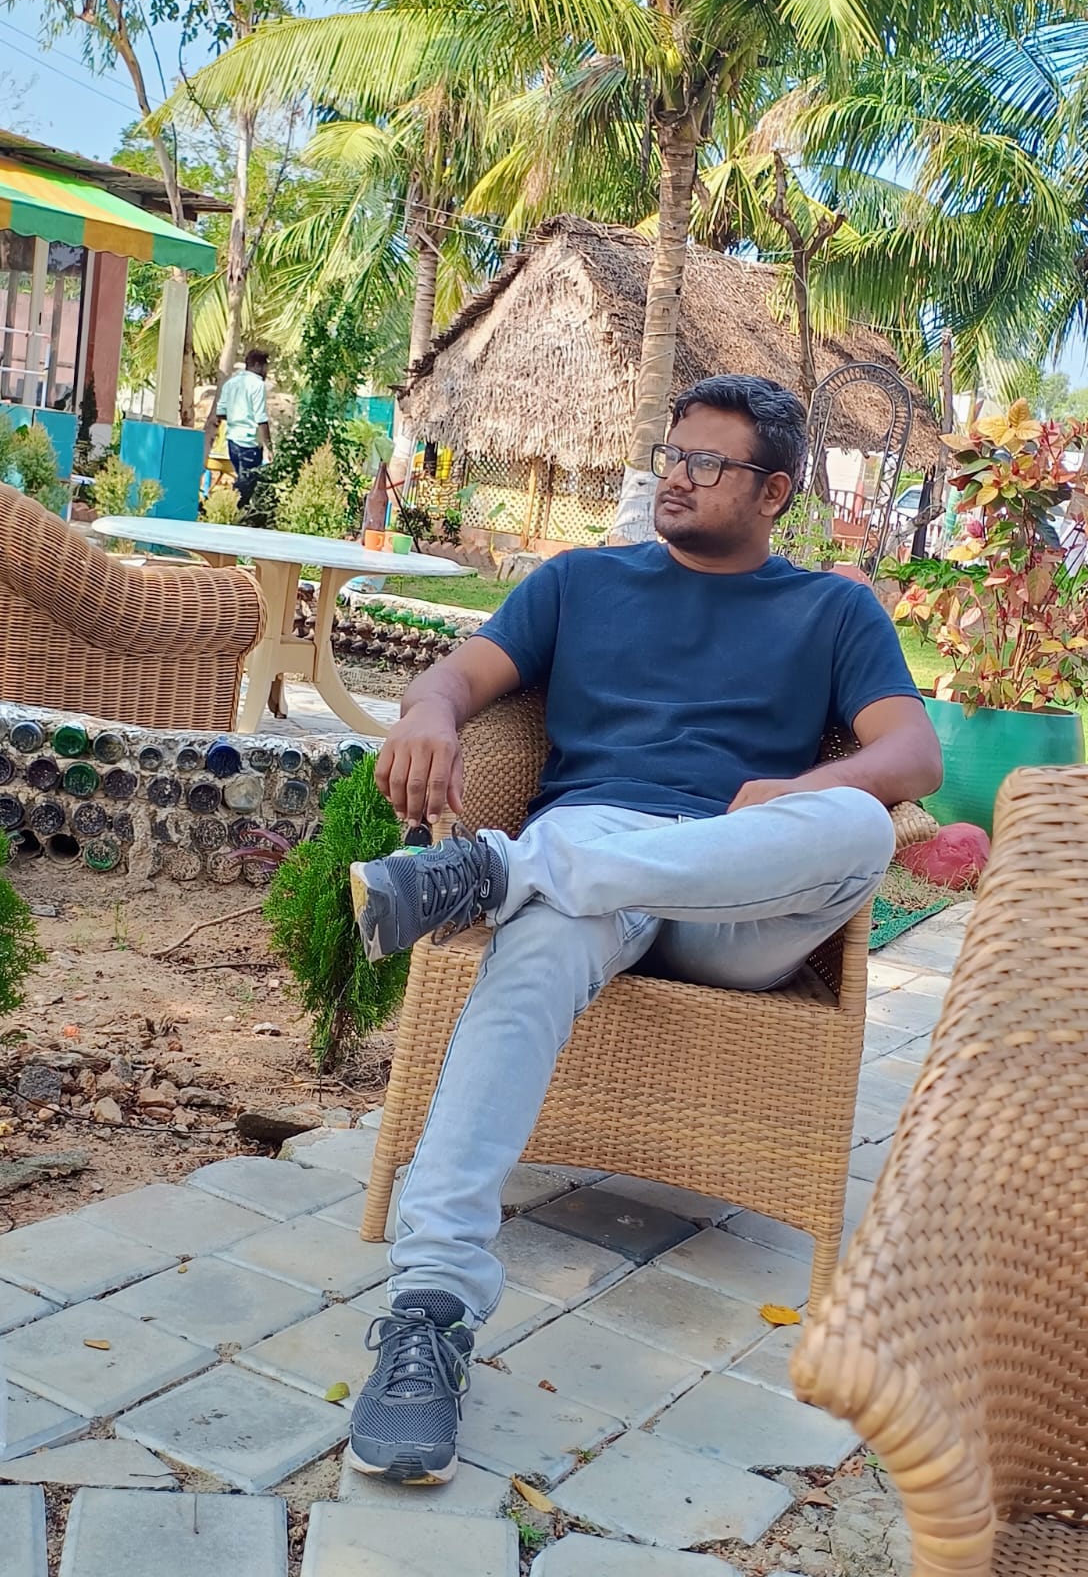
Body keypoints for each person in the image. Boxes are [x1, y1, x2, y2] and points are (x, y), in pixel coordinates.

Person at [343, 375, 943, 1487]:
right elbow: (457, 677)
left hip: (736, 895)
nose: (677, 476)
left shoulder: (832, 610)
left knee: (860, 825)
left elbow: (912, 756)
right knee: (538, 945)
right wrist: (426, 713)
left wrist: (802, 790)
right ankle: (428, 1310)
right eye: (673, 454)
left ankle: (506, 872)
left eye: (708, 463)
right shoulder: (579, 581)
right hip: (597, 870)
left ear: (773, 492)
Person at [213, 349, 271, 507]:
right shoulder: (257, 384)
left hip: (232, 441)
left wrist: (236, 415)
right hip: (249, 443)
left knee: (244, 480)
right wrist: (268, 447)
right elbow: (261, 418)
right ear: (258, 365)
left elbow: (221, 412)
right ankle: (227, 508)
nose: (266, 371)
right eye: (265, 366)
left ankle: (234, 510)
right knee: (246, 486)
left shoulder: (231, 383)